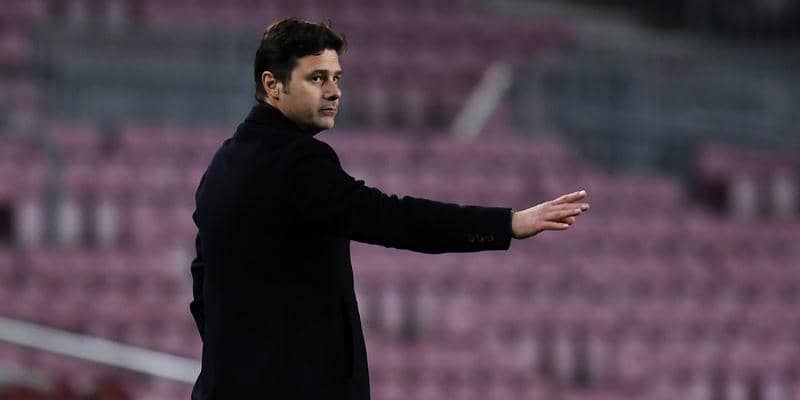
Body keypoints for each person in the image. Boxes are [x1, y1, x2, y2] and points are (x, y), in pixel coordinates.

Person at [189, 17, 590, 400]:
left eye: (336, 78)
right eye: (317, 78)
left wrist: (239, 357)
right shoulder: (300, 162)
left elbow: (201, 282)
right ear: (272, 85)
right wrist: (507, 223)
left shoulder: (221, 164)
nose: (334, 92)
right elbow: (392, 219)